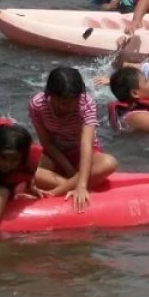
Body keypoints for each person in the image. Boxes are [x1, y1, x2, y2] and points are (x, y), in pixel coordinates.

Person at [28, 67, 118, 210]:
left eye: (73, 101)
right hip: (55, 153)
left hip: (82, 152)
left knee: (108, 163)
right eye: (62, 102)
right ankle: (75, 184)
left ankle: (54, 192)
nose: (68, 107)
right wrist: (71, 172)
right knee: (26, 169)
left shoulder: (86, 104)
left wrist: (81, 185)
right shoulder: (38, 104)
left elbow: (86, 144)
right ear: (50, 95)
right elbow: (47, 143)